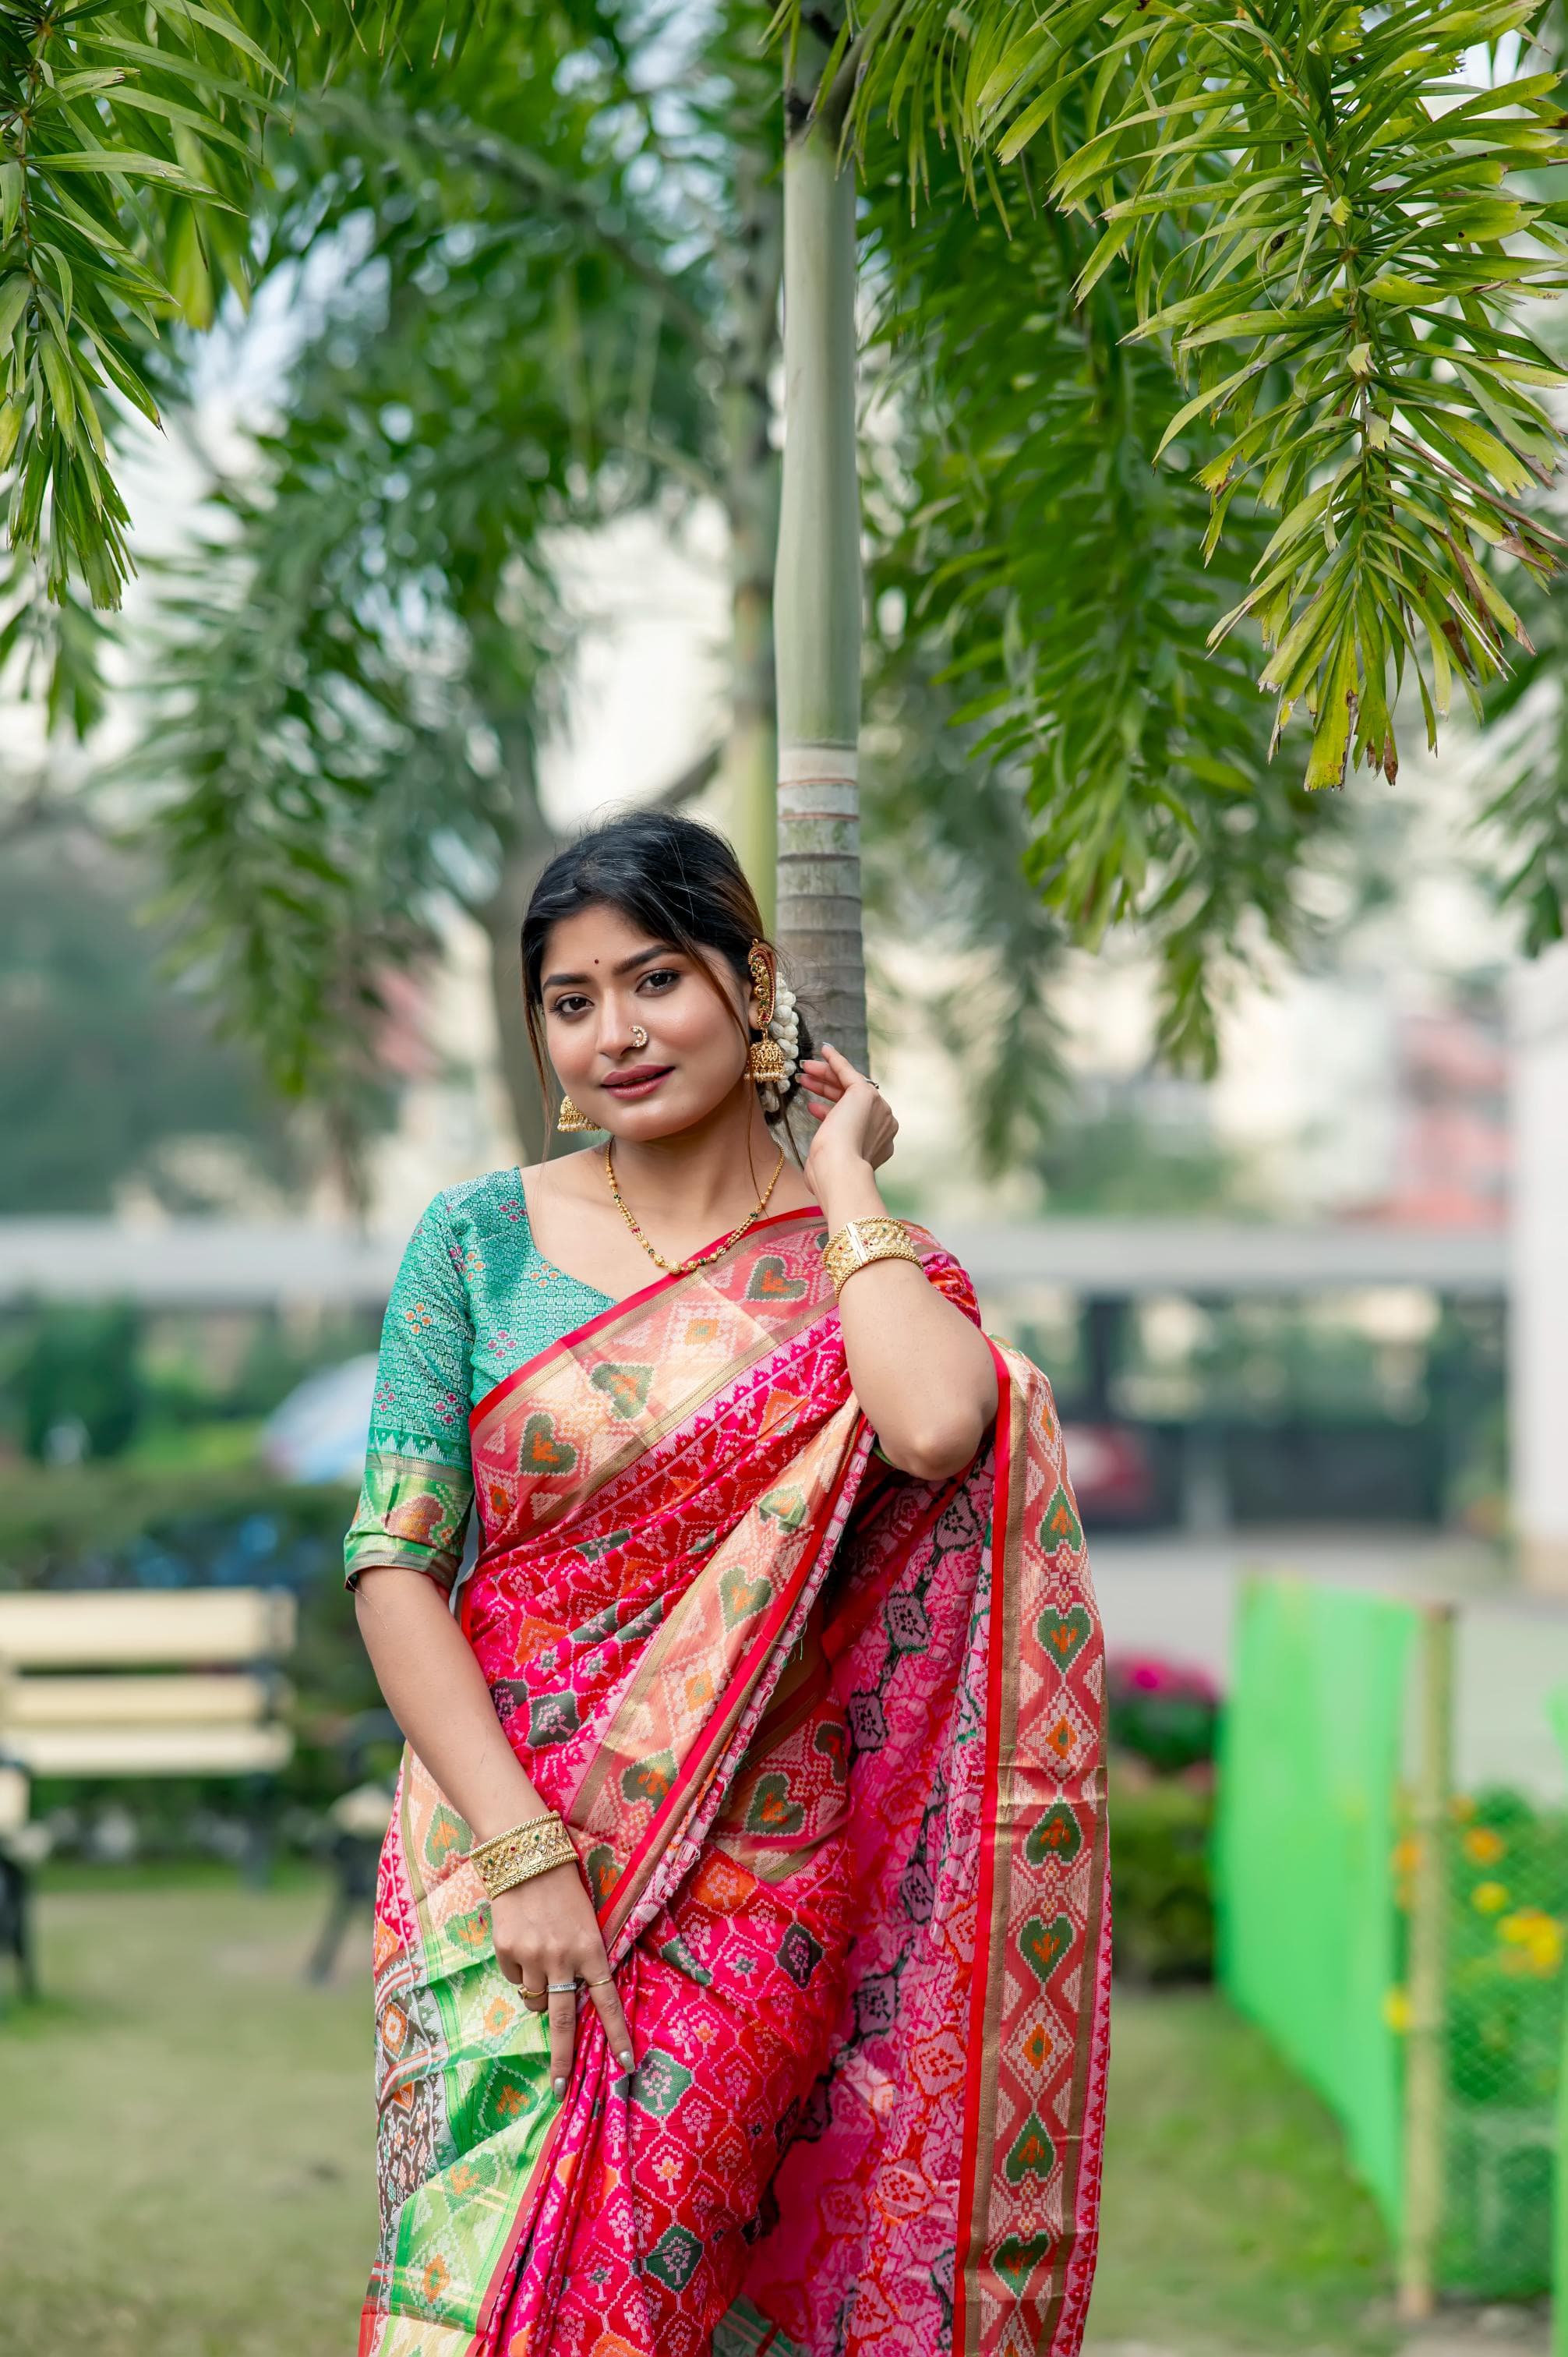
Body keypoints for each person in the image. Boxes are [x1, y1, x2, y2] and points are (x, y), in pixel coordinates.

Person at [347, 810, 1108, 2357]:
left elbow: (935, 1425)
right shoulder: (477, 1243)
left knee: (652, 2294)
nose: (616, 1035)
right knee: (464, 2286)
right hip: (485, 1845)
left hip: (749, 1873)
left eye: (656, 981)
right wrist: (520, 1853)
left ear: (749, 984)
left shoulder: (875, 1265)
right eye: (571, 1002)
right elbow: (394, 1565)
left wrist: (842, 1185)